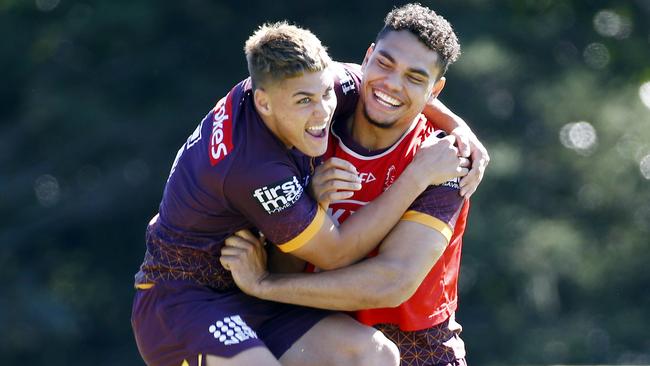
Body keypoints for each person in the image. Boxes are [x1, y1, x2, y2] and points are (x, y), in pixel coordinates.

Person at [131, 20, 474, 366]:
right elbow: (334, 253)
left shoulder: (439, 152)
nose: (322, 112)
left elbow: (393, 281)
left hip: (283, 307)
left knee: (374, 356)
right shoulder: (258, 167)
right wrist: (415, 176)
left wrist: (459, 127)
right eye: (305, 101)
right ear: (264, 103)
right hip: (187, 300)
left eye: (326, 95)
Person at [221, 4, 485, 366]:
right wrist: (309, 207)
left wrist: (264, 284)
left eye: (414, 78)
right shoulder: (311, 130)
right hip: (320, 335)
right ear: (367, 57)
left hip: (420, 346)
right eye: (385, 64)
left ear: (435, 90)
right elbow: (287, 267)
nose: (392, 84)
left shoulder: (444, 158)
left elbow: (392, 282)